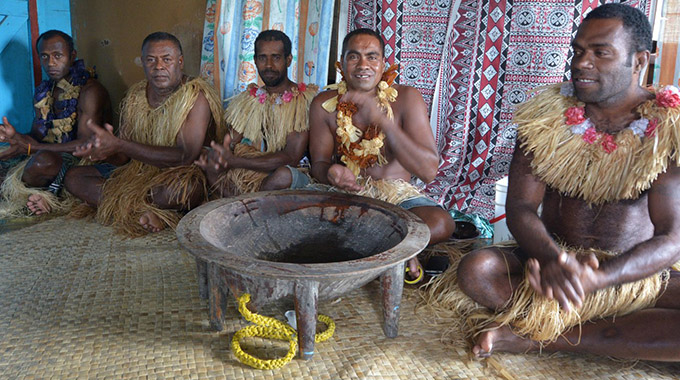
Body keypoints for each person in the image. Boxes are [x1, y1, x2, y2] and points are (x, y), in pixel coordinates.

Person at [449, 4, 680, 361]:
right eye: (578, 51)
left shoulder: (668, 130)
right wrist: (554, 259)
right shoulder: (545, 118)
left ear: (639, 62)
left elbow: (671, 238)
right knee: (478, 271)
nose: (581, 63)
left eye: (600, 53)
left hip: (632, 276)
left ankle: (535, 338)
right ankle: (609, 333)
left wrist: (601, 279)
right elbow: (520, 207)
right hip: (549, 266)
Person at [305, 28, 455, 281]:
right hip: (347, 196)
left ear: (383, 63)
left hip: (398, 199)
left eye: (372, 56)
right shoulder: (324, 104)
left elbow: (428, 171)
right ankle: (398, 248)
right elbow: (318, 164)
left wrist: (384, 122)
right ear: (342, 63)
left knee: (441, 223)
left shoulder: (407, 98)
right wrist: (330, 173)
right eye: (354, 57)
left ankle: (375, 245)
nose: (363, 65)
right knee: (298, 216)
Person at [64, 32, 226, 237]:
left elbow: (185, 156)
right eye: (151, 60)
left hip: (180, 174)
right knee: (74, 178)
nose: (158, 66)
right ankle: (147, 212)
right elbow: (122, 158)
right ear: (142, 62)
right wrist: (105, 151)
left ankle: (131, 208)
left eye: (166, 59)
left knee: (184, 189)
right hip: (137, 173)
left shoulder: (195, 96)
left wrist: (120, 144)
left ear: (180, 62)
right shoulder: (136, 96)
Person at [0, 30, 112, 216]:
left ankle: (35, 198)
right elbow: (36, 137)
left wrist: (32, 149)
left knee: (43, 162)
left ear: (72, 55)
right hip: (43, 154)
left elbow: (85, 145)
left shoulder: (90, 91)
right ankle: (31, 195)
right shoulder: (47, 90)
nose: (50, 63)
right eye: (45, 56)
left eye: (57, 56)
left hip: (79, 161)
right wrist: (14, 136)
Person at [195, 30, 317, 195]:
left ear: (288, 60)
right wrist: (218, 156)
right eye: (262, 58)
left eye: (276, 57)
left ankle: (244, 206)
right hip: (254, 171)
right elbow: (229, 142)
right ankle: (244, 206)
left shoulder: (302, 101)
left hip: (294, 175)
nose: (268, 65)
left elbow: (291, 157)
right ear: (254, 60)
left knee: (282, 176)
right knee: (208, 161)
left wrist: (236, 161)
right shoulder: (250, 99)